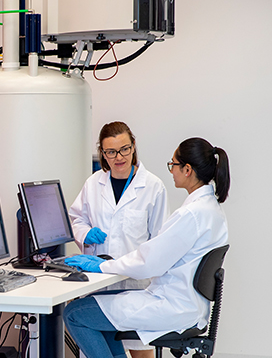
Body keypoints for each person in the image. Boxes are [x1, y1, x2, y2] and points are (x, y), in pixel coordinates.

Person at [63, 137, 230, 358]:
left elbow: (149, 262)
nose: (172, 171)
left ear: (187, 170)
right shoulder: (211, 210)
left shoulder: (190, 214)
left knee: (74, 313)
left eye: (173, 164)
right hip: (185, 303)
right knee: (94, 311)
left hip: (171, 306)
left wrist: (102, 266)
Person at [68, 121, 168, 358]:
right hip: (99, 284)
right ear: (103, 154)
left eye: (124, 149)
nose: (119, 157)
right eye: (111, 152)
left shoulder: (153, 187)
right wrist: (84, 233)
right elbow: (77, 219)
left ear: (133, 146)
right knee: (102, 340)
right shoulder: (93, 184)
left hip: (137, 287)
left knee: (141, 351)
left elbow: (160, 242)